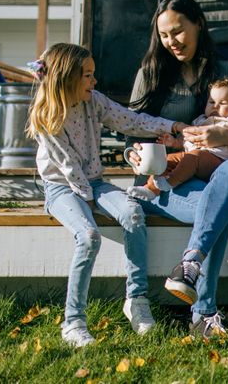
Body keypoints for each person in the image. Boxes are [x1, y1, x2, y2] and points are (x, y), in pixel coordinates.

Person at [27, 43, 187, 347]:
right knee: (88, 236)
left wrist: (174, 126)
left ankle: (136, 299)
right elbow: (67, 165)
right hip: (61, 187)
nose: (95, 81)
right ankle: (73, 322)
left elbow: (131, 120)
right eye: (88, 76)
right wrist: (86, 202)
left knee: (133, 212)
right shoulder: (47, 117)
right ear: (67, 80)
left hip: (95, 182)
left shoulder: (93, 101)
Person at [128, 0, 228, 338]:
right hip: (164, 182)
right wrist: (136, 156)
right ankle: (203, 311)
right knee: (221, 211)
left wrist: (223, 136)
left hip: (217, 176)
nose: (172, 41)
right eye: (165, 35)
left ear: (198, 24)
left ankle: (190, 266)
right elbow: (131, 134)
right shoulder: (151, 74)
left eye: (178, 31)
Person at [127, 77, 228, 201]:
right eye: (211, 102)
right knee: (167, 160)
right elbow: (188, 141)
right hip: (195, 159)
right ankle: (150, 189)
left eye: (222, 103)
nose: (215, 106)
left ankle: (170, 183)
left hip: (220, 161)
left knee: (194, 157)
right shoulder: (200, 120)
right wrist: (175, 142)